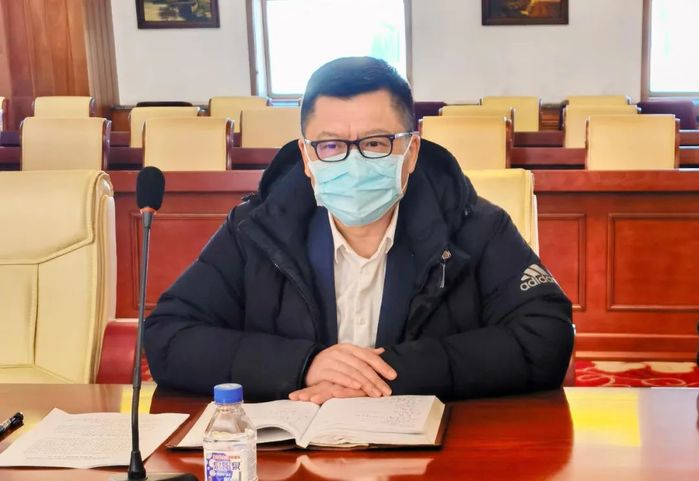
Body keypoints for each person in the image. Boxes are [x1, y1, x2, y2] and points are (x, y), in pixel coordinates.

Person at [144, 57, 574, 403]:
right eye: (331, 145)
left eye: (374, 143)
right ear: (306, 158)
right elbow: (168, 335)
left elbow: (547, 336)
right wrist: (305, 365)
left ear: (411, 151)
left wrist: (388, 374)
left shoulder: (472, 224)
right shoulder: (258, 228)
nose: (353, 163)